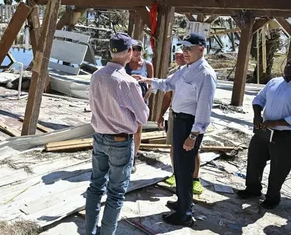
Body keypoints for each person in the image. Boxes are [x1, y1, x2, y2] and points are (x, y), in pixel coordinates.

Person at [136, 33, 216, 227]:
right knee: (179, 168)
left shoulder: (205, 74)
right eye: (184, 48)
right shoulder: (185, 70)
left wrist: (193, 136)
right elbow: (167, 84)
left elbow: (204, 110)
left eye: (190, 48)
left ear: (201, 48)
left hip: (190, 125)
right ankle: (182, 201)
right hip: (178, 121)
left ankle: (185, 213)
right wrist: (147, 81)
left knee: (186, 169)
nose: (185, 52)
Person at [85, 32, 150, 235]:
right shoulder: (128, 82)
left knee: (95, 187)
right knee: (115, 193)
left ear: (111, 51)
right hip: (120, 142)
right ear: (129, 52)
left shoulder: (96, 75)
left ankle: (89, 231)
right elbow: (143, 117)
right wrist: (145, 91)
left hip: (99, 137)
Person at [237, 56, 291, 209]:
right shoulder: (274, 82)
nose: (288, 65)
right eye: (288, 62)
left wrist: (276, 122)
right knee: (255, 160)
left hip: (287, 136)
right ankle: (253, 189)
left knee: (279, 168)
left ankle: (272, 197)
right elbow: (259, 99)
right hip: (264, 131)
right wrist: (257, 115)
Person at [159, 49, 204, 195]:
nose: (179, 57)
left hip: (191, 117)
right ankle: (176, 174)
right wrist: (161, 114)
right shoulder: (176, 74)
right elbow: (167, 95)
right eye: (177, 55)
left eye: (182, 55)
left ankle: (195, 179)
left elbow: (204, 103)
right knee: (174, 145)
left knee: (193, 149)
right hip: (175, 115)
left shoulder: (199, 74)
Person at [125, 39, 154, 173]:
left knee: (137, 131)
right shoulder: (125, 65)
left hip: (141, 102)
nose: (136, 52)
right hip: (126, 102)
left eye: (139, 49)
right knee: (124, 129)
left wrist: (143, 100)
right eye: (134, 49)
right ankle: (122, 156)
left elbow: (151, 86)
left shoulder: (147, 65)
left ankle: (133, 158)